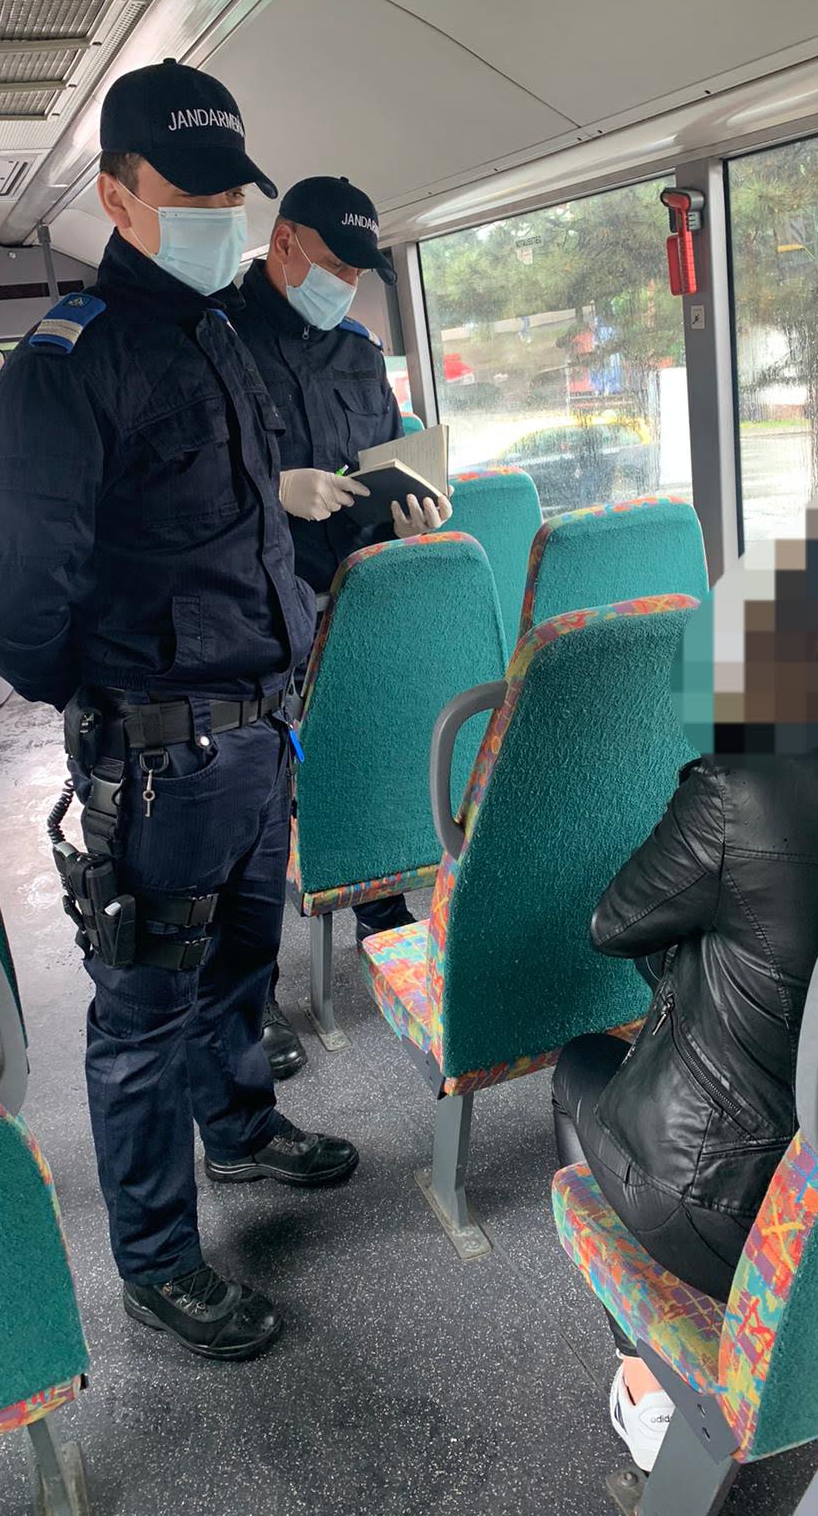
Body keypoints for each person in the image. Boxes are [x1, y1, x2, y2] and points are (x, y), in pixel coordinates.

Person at [0, 59, 358, 1363]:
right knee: (142, 1014)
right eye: (190, 196)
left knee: (239, 965)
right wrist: (117, 696)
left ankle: (238, 1129)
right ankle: (157, 1259)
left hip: (262, 729)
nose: (219, 219)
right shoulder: (66, 367)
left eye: (231, 196)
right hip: (163, 755)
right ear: (117, 196)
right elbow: (9, 604)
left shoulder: (221, 338)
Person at [552, 495, 818, 1469]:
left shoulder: (744, 789)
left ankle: (649, 1383)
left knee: (574, 1074)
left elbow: (615, 924)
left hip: (729, 1205)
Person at [230, 175, 452, 1077]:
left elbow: (388, 451)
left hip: (356, 598)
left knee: (368, 754)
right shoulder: (216, 339)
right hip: (255, 609)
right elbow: (181, 493)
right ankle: (250, 994)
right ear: (284, 243)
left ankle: (379, 913)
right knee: (257, 805)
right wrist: (269, 493)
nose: (346, 288)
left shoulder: (358, 352)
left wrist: (415, 507)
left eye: (360, 274)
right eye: (335, 267)